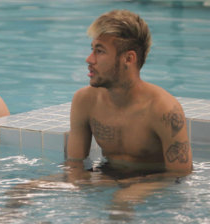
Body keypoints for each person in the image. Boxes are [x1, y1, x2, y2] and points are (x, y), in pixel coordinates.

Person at [67, 9, 192, 178]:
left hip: (154, 187)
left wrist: (136, 190)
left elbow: (181, 174)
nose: (89, 59)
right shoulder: (85, 101)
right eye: (92, 49)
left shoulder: (163, 109)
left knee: (123, 200)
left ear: (128, 59)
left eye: (100, 51)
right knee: (27, 189)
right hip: (107, 177)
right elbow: (75, 165)